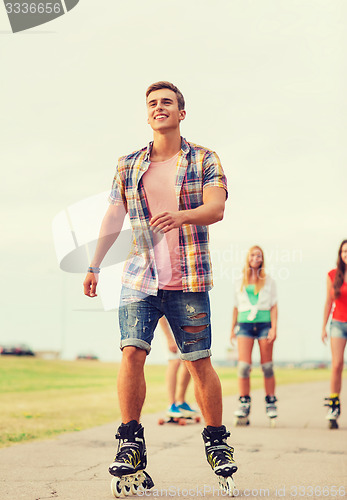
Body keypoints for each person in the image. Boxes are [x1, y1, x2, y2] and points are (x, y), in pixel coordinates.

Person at [83, 81, 237, 490]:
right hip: (139, 276)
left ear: (181, 113)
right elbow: (113, 217)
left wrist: (181, 216)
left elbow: (216, 207)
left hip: (187, 276)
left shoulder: (205, 158)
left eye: (167, 102)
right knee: (131, 351)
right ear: (146, 113)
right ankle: (130, 440)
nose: (159, 107)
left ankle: (217, 440)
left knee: (197, 360)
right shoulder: (128, 163)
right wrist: (95, 263)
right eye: (152, 103)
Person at [230, 245, 278, 425]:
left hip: (265, 324)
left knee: (267, 366)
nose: (256, 258)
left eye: (259, 255)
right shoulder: (239, 281)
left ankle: (271, 401)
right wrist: (232, 328)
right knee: (243, 366)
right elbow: (236, 306)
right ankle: (244, 402)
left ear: (262, 259)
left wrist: (274, 327)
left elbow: (274, 305)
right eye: (253, 255)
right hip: (244, 325)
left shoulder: (269, 281)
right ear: (248, 258)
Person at [321, 239, 347, 428]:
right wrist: (323, 327)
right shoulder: (333, 274)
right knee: (337, 364)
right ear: (340, 254)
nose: (346, 254)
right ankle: (334, 405)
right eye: (344, 251)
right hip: (337, 323)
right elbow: (328, 302)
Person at [159, 316, 197, 419]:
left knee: (187, 361)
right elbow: (161, 314)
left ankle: (180, 401)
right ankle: (171, 405)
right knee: (174, 361)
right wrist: (169, 339)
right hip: (168, 326)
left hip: (182, 324)